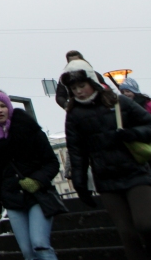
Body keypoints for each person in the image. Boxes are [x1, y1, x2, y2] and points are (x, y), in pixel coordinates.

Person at [62, 60, 151, 260]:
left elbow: (149, 126)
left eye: (81, 86)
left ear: (92, 82)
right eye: (74, 88)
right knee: (127, 234)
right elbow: (77, 151)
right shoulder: (74, 115)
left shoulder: (119, 102)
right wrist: (80, 183)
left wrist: (132, 134)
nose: (79, 92)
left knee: (145, 223)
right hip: (106, 179)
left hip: (135, 173)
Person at [0, 90, 62, 260]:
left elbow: (52, 163)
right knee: (27, 251)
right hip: (12, 198)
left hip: (37, 196)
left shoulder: (30, 129)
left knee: (40, 244)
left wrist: (37, 180)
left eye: (3, 105)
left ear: (9, 107)